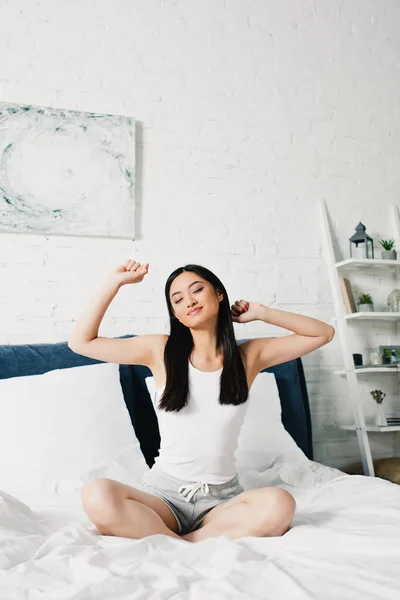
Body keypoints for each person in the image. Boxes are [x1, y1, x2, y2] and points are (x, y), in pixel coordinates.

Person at [68, 258, 335, 543]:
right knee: (97, 494)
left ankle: (182, 542)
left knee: (280, 503)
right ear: (176, 313)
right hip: (164, 497)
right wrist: (115, 282)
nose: (189, 301)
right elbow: (81, 343)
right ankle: (188, 540)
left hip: (221, 503)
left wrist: (261, 312)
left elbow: (323, 333)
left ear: (219, 294)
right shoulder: (160, 350)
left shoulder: (249, 356)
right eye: (178, 299)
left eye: (197, 290)